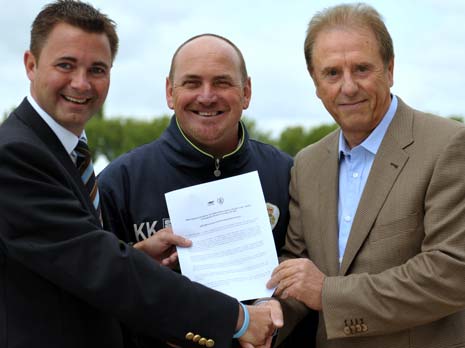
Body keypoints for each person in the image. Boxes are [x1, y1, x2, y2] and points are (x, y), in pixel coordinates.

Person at [0, 1, 283, 348]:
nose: (81, 83)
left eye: (97, 69)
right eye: (66, 65)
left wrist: (134, 255)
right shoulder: (15, 155)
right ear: (31, 64)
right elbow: (101, 266)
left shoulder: (64, 154)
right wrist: (236, 319)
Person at [267, 3, 465, 348]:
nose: (348, 87)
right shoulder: (307, 163)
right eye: (331, 73)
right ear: (315, 83)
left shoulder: (448, 145)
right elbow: (298, 267)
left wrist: (328, 293)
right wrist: (263, 319)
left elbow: (451, 273)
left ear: (389, 70)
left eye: (361, 69)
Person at [98, 33, 315, 347]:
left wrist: (279, 313)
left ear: (247, 93)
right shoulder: (120, 183)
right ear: (170, 92)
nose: (207, 96)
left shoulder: (288, 174)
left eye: (223, 82)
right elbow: (99, 290)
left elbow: (309, 269)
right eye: (191, 83)